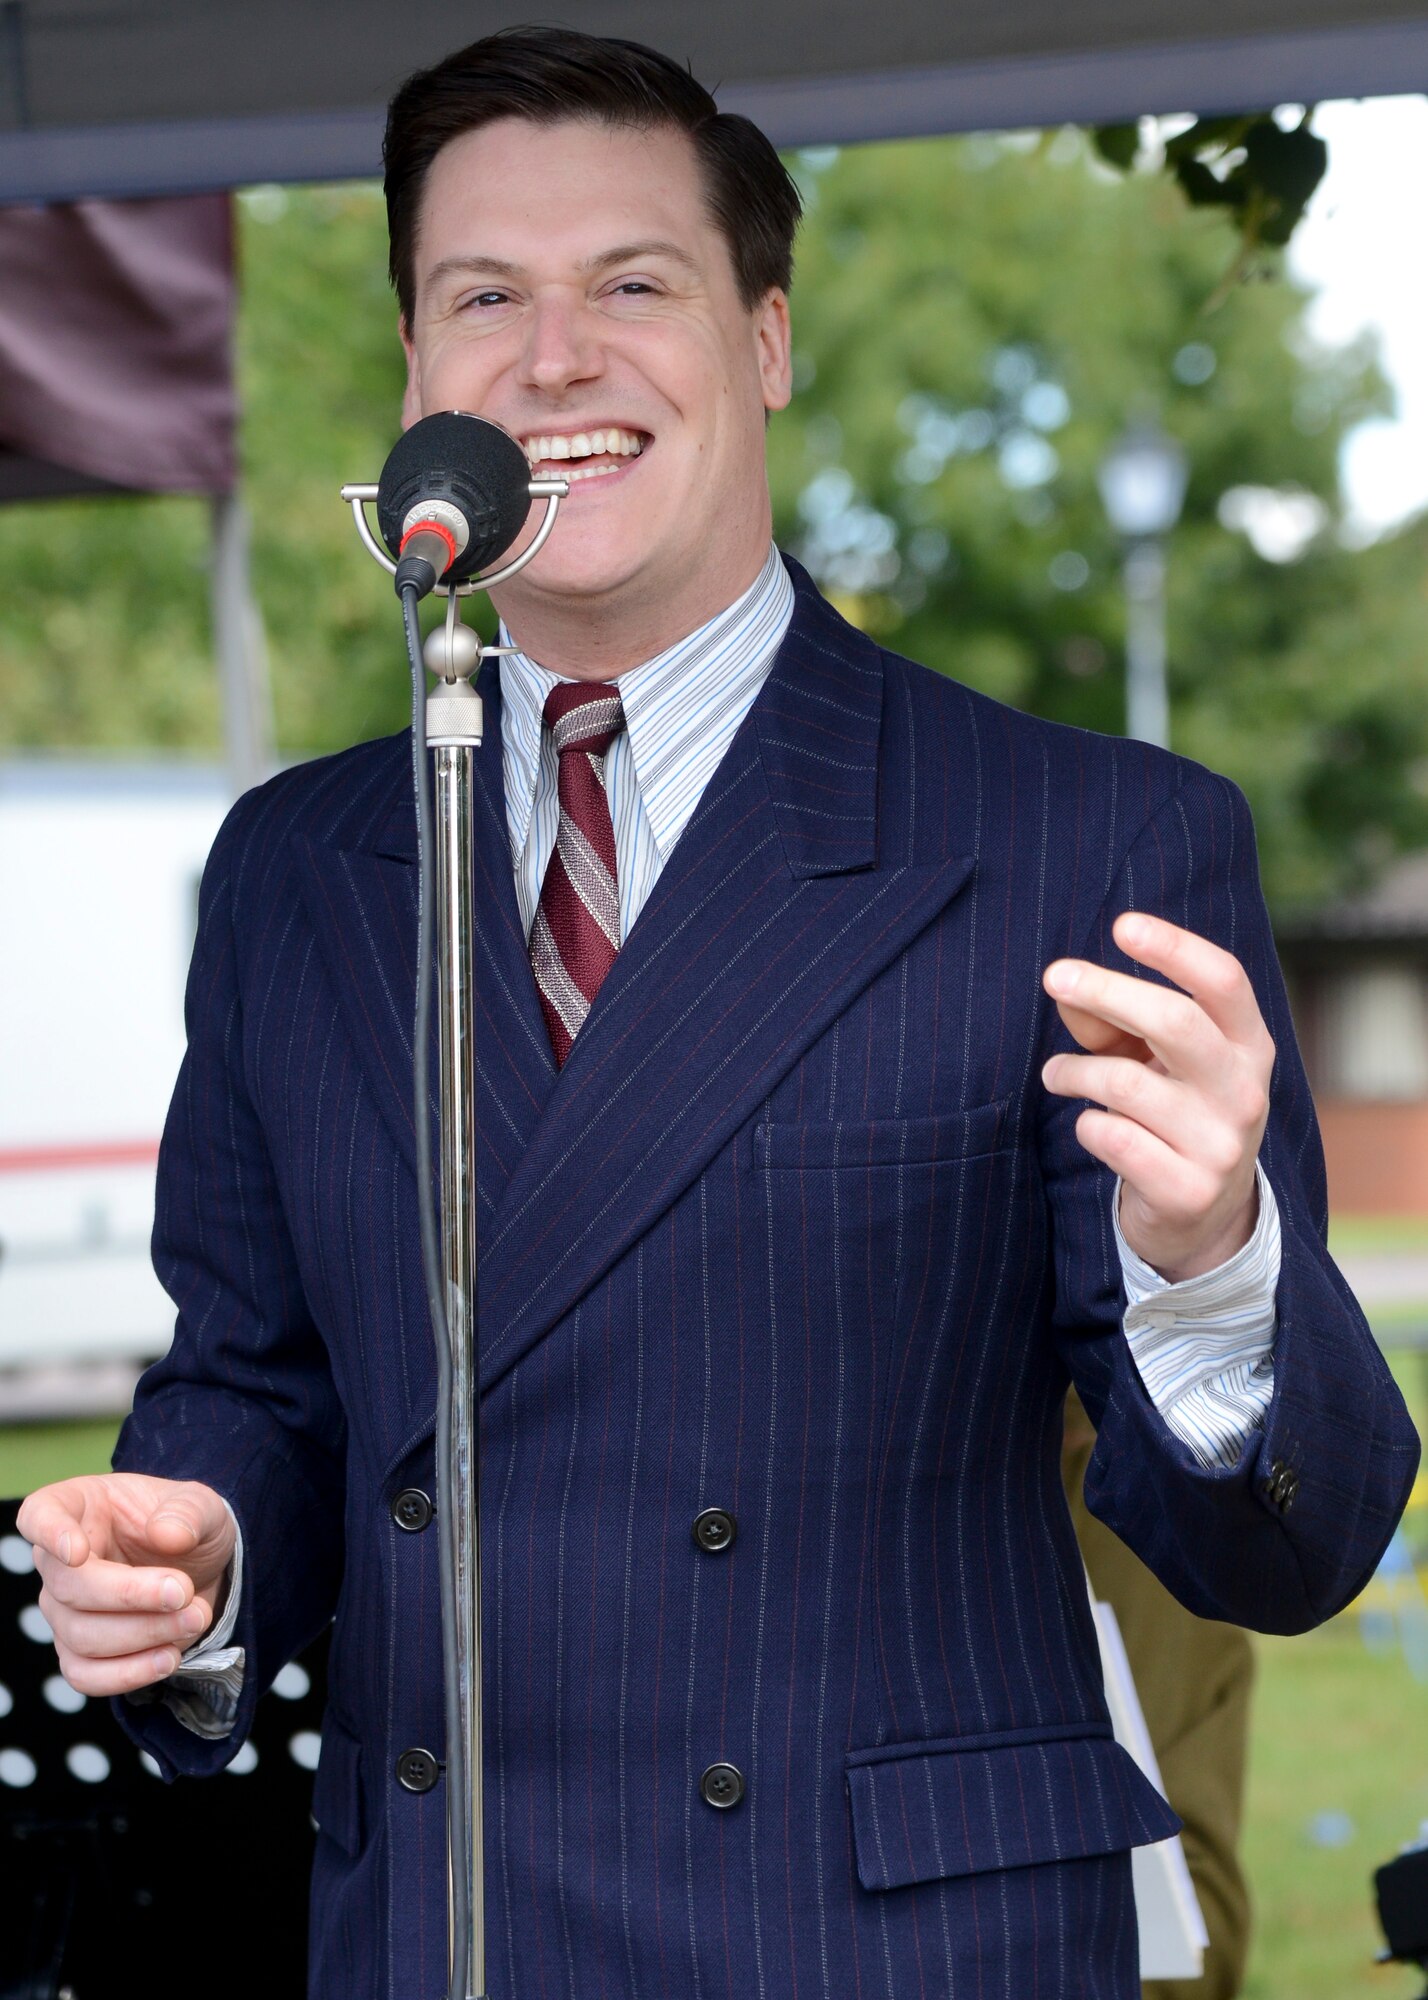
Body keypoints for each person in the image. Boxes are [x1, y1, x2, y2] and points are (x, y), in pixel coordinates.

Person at [18, 28, 1419, 1999]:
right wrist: (197, 1541)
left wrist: (1214, 1266)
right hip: (444, 1933)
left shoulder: (1082, 836)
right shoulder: (293, 872)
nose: (554, 355)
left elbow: (1290, 1551)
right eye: (483, 295)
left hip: (884, 1954)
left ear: (766, 339)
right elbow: (256, 1385)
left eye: (634, 284)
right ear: (418, 375)